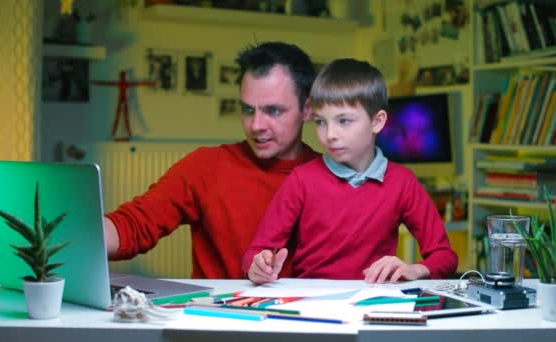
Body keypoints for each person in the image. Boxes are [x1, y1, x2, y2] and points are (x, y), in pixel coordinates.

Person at [104, 42, 320, 279]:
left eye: (274, 111)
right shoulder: (206, 166)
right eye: (248, 110)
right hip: (212, 313)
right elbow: (135, 224)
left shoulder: (331, 177)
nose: (256, 125)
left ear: (308, 109)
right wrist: (76, 237)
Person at [243, 58, 458, 284]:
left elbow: (445, 257)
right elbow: (254, 253)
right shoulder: (301, 180)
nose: (330, 134)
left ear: (377, 122)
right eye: (321, 122)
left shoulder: (403, 182)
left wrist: (416, 269)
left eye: (343, 121)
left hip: (373, 304)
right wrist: (257, 267)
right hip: (311, 304)